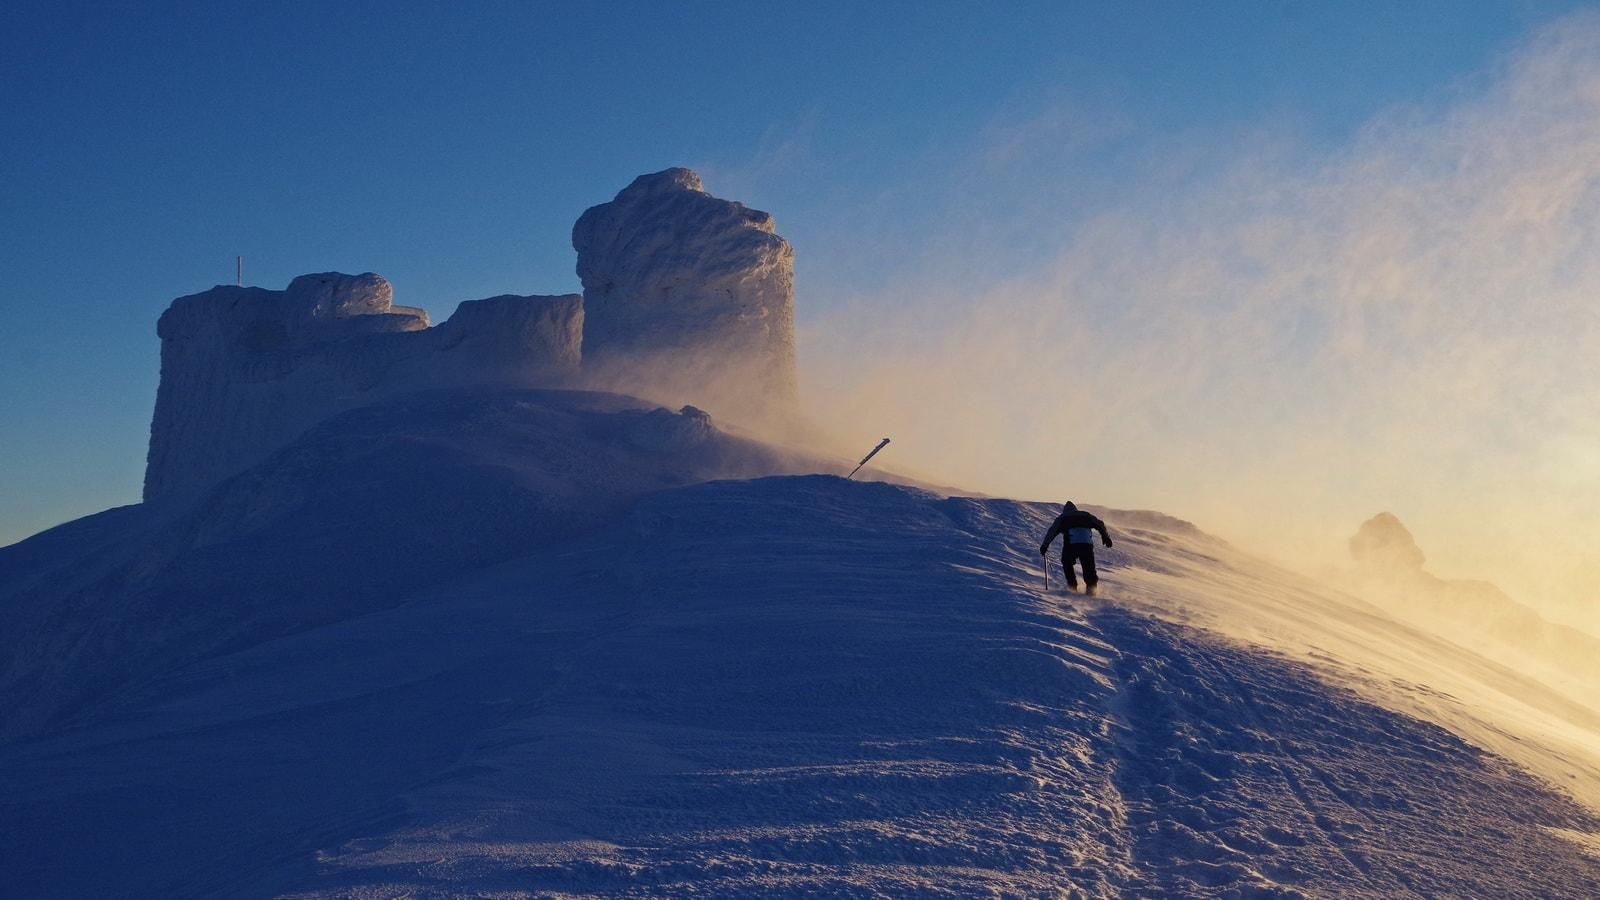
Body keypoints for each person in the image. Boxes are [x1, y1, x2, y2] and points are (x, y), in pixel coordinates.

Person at [1040, 501, 1113, 594]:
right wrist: (1106, 537)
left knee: (1066, 561)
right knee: (1089, 567)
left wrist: (1045, 545)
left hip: (1071, 546)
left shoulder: (1063, 518)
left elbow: (1052, 531)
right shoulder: (1086, 515)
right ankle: (1092, 589)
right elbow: (1100, 524)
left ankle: (1072, 587)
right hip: (1087, 545)